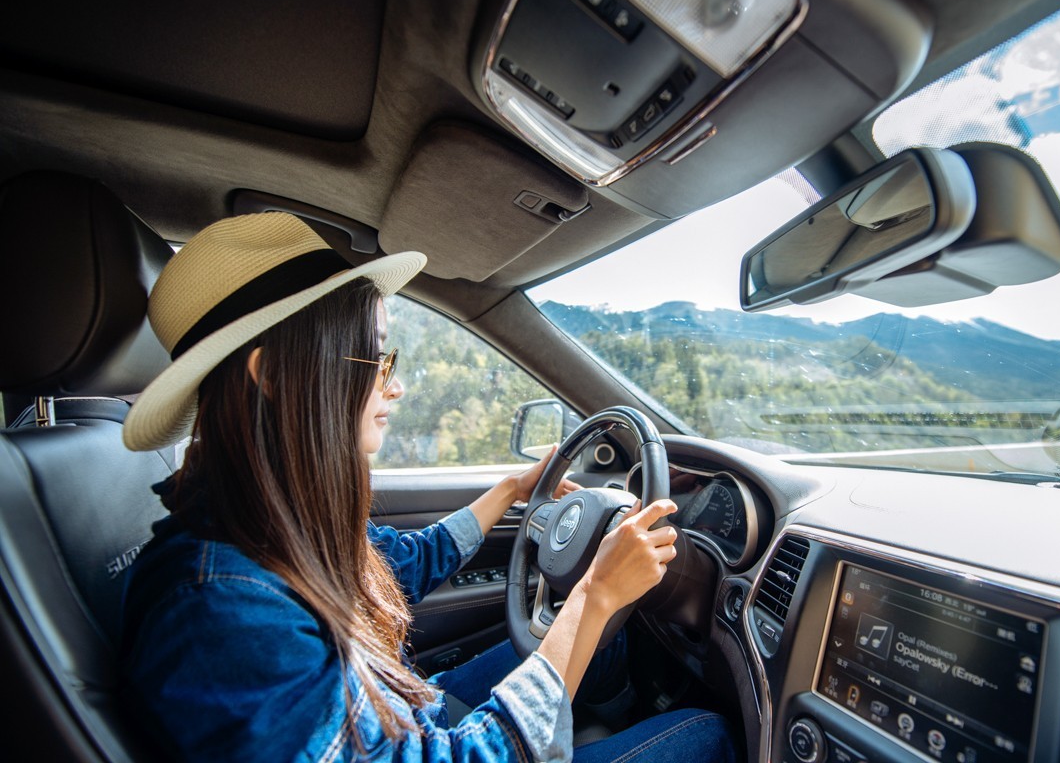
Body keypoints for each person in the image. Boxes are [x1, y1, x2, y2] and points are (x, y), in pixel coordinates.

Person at [119, 213, 737, 762]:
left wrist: (510, 492)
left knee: (601, 648)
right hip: (422, 739)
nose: (395, 388)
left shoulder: (261, 521)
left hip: (398, 715)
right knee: (706, 734)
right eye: (376, 359)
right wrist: (595, 595)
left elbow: (386, 568)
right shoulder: (219, 613)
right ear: (275, 375)